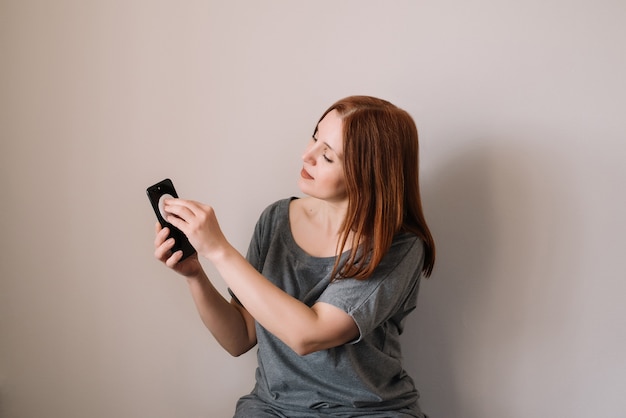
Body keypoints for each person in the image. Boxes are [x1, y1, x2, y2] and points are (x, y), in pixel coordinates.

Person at [153, 95, 436, 417]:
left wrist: (219, 250)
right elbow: (239, 338)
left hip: (368, 411)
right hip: (273, 409)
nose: (307, 155)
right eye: (315, 137)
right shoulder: (275, 219)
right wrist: (195, 275)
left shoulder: (398, 246)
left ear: (368, 173)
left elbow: (309, 335)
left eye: (328, 156)